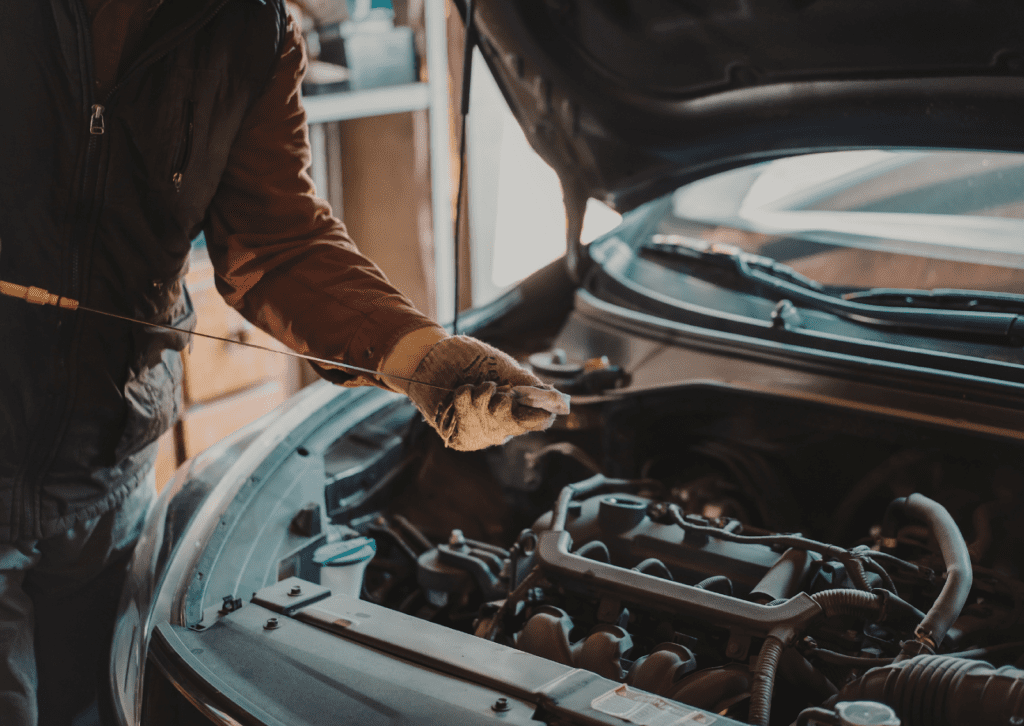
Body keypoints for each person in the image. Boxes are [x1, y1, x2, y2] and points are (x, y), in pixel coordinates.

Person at [0, 1, 566, 723]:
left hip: (111, 469)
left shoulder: (247, 27)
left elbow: (274, 245)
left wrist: (423, 358)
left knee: (100, 703)